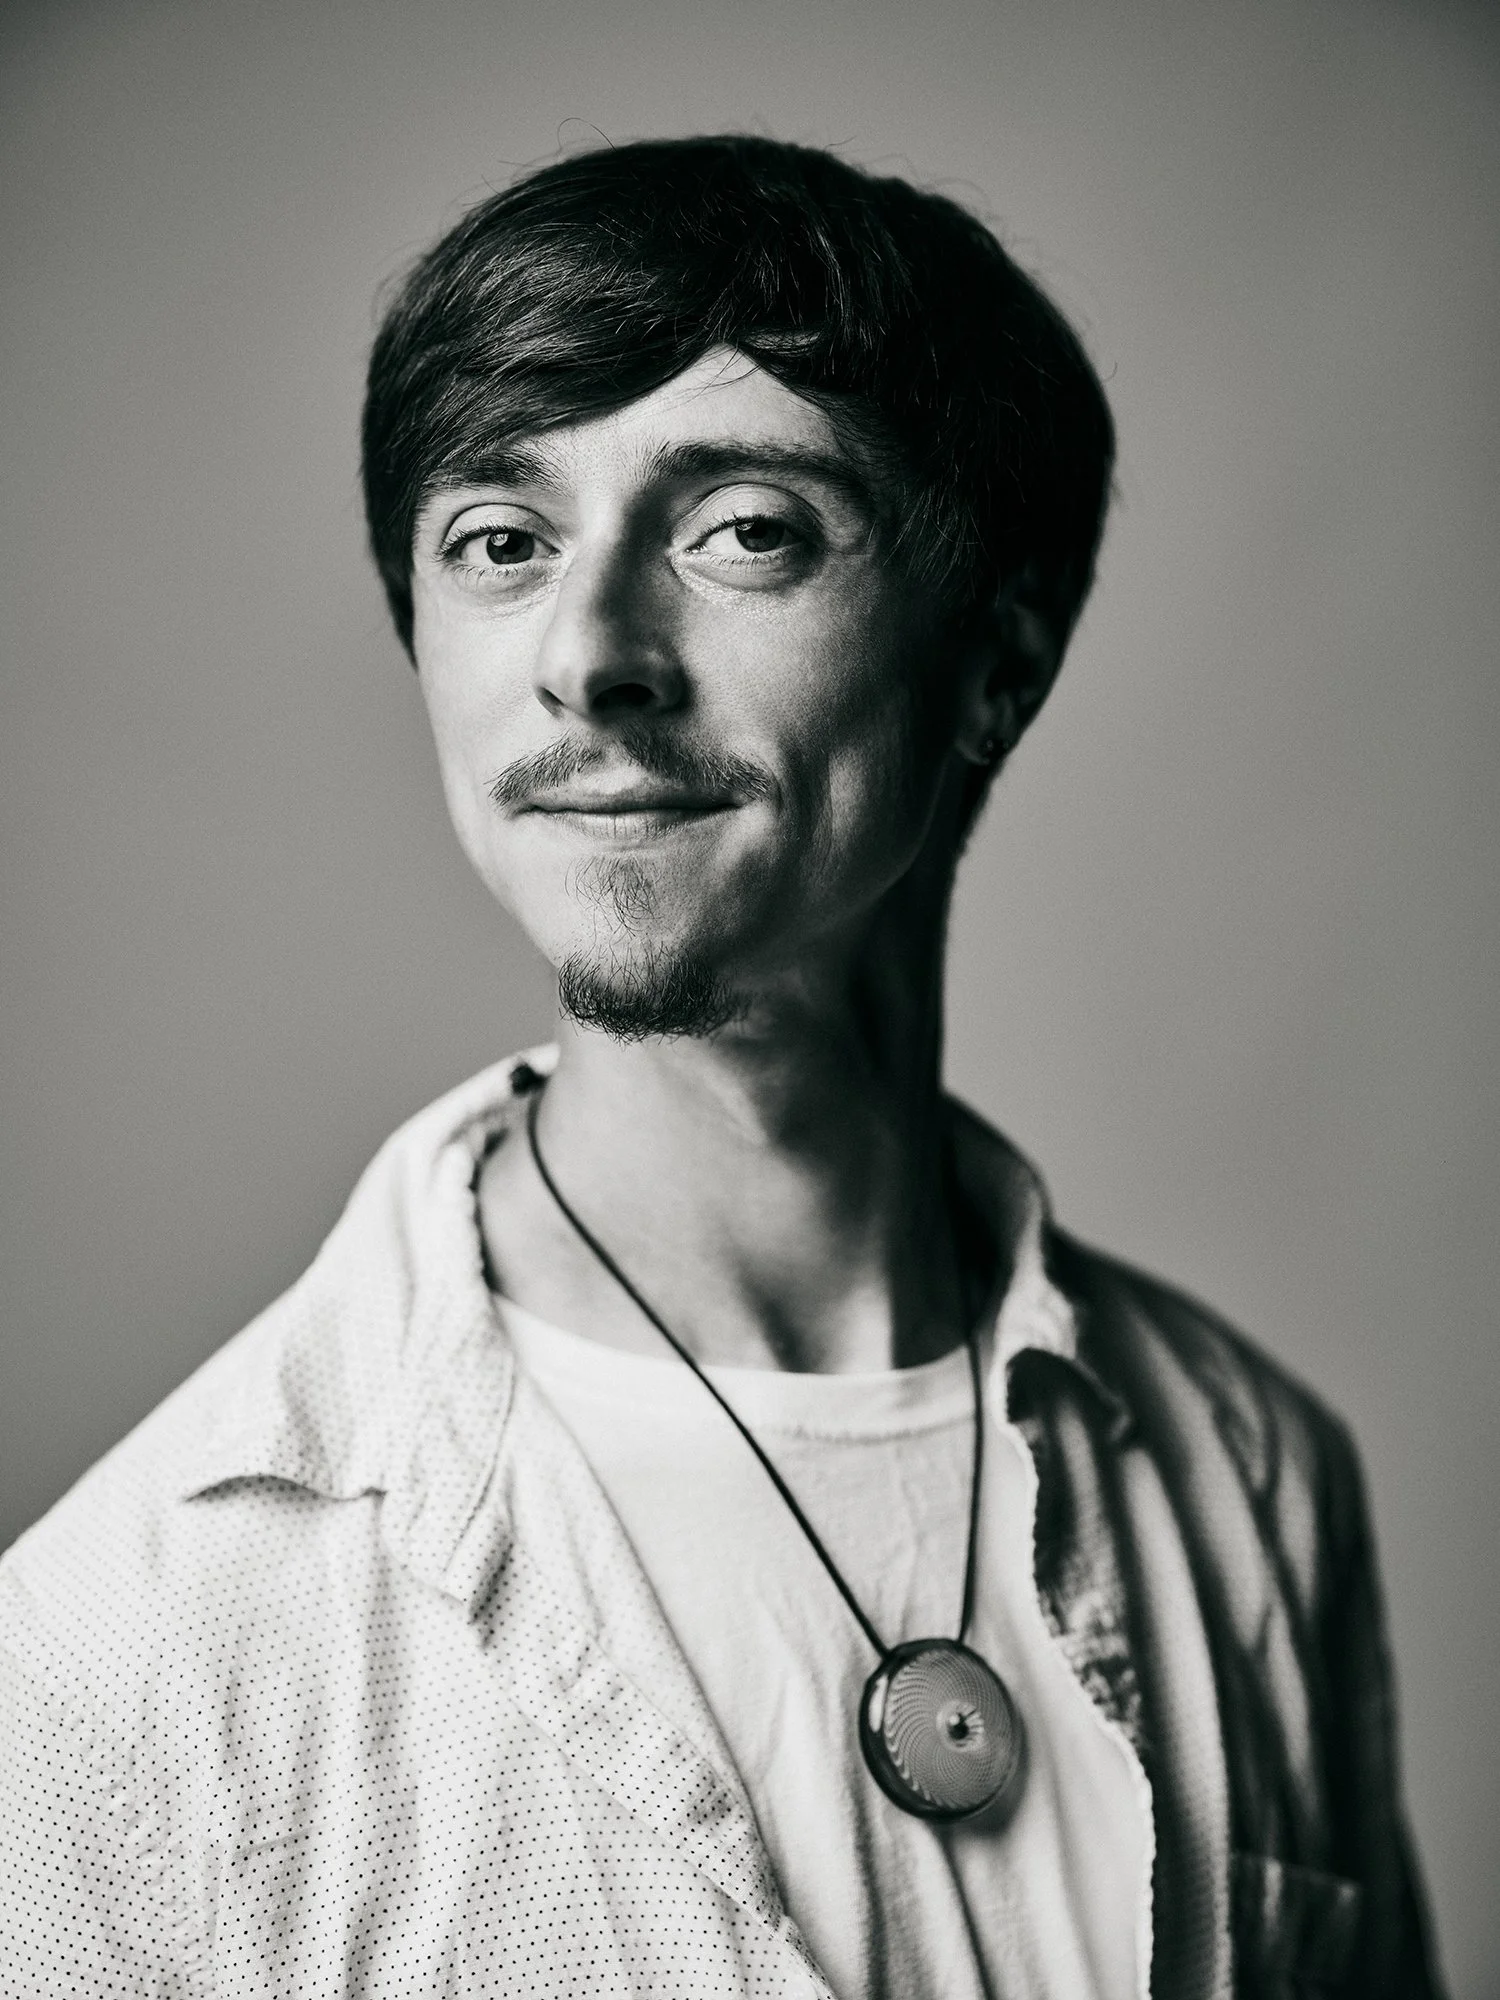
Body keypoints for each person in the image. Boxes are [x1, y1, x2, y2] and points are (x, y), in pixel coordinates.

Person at [0, 136, 1442, 1999]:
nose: (589, 658)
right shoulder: (121, 1661)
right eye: (499, 545)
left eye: (744, 528)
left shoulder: (1255, 1470)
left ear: (996, 660)